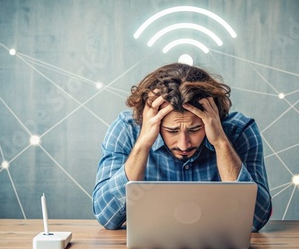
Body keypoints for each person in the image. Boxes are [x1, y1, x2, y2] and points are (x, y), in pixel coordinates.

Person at [92, 62, 272, 231]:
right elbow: (107, 217)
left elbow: (256, 220)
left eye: (195, 129)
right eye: (172, 130)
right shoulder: (127, 130)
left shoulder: (239, 131)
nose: (183, 144)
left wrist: (221, 142)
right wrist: (143, 143)